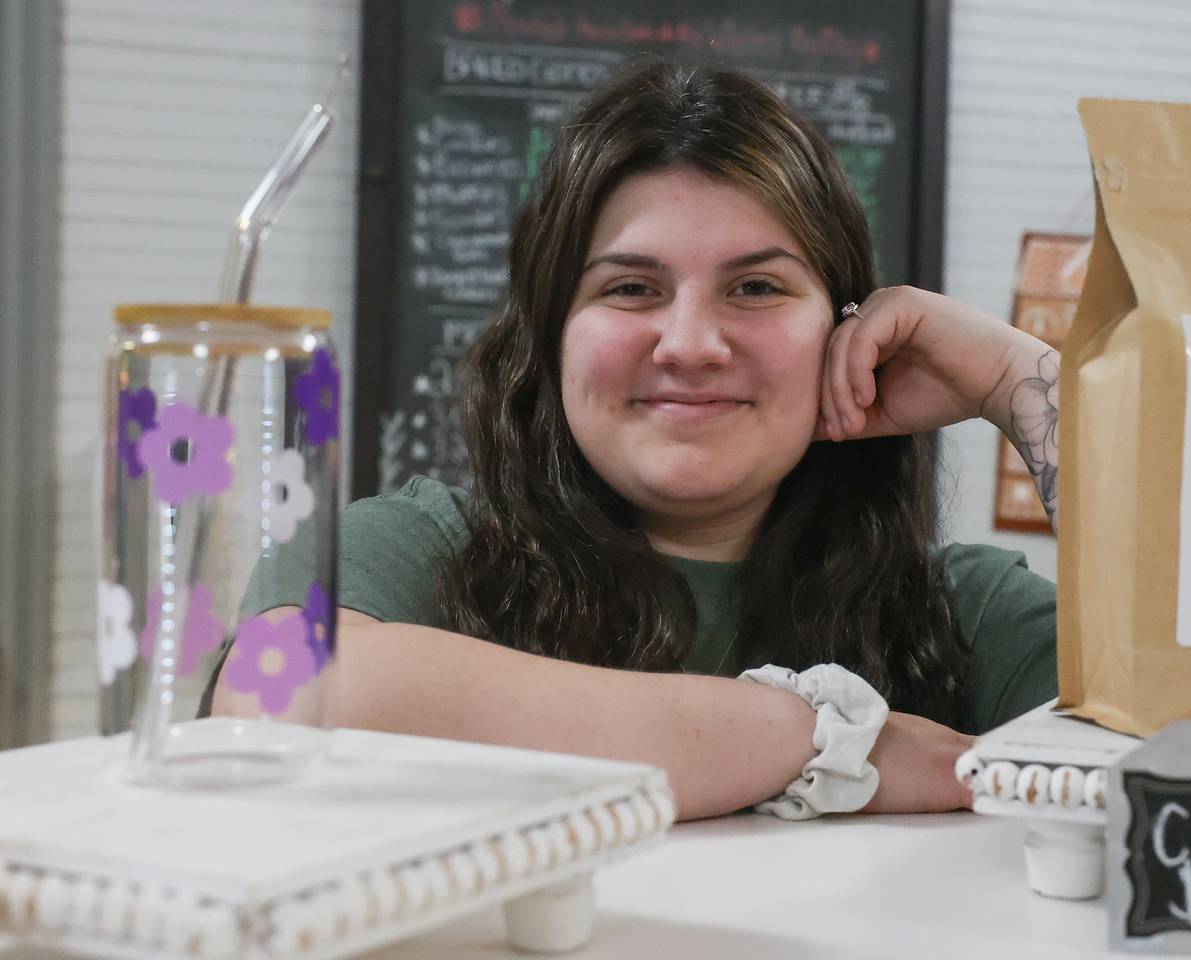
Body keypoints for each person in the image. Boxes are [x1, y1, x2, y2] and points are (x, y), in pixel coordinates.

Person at [207, 60, 1061, 822]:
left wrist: (1023, 385)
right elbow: (282, 692)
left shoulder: (959, 616)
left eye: (757, 286)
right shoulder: (420, 551)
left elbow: (1188, 749)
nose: (691, 344)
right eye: (631, 288)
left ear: (847, 333)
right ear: (549, 337)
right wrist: (821, 737)